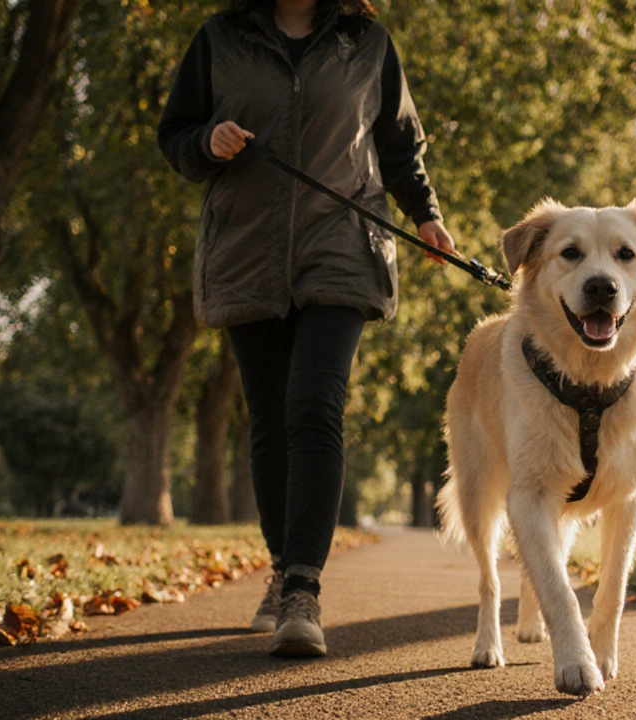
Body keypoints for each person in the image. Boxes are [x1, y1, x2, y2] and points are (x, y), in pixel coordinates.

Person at [157, 0, 453, 658]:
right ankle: (282, 561)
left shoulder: (368, 44)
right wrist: (206, 142)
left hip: (342, 245)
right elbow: (175, 136)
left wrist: (426, 215)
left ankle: (302, 590)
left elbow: (400, 146)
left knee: (314, 403)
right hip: (246, 250)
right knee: (269, 418)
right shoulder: (219, 39)